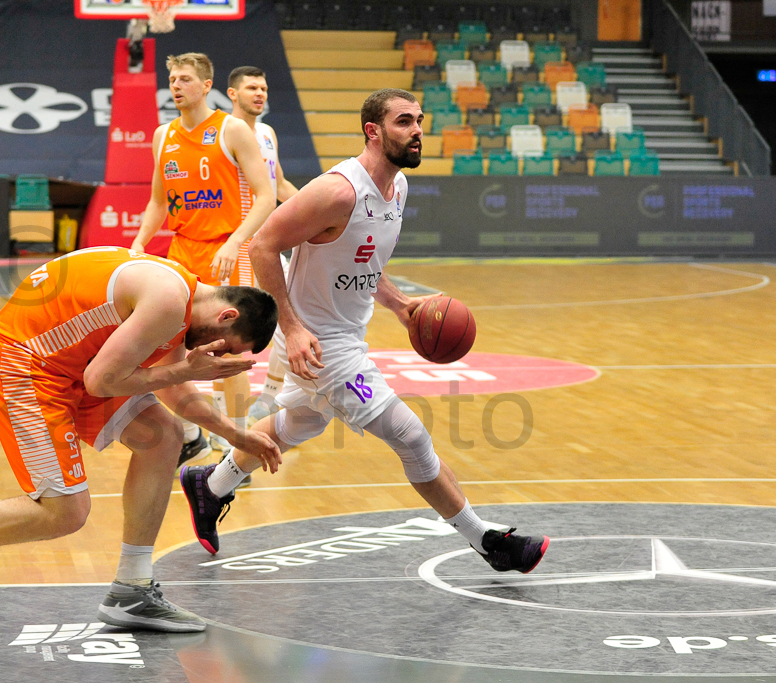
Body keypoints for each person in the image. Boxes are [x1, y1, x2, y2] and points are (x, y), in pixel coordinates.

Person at [179, 89, 550, 576]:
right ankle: (487, 542)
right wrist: (290, 328)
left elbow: (366, 258)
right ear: (373, 131)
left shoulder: (398, 189)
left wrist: (398, 305)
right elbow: (265, 245)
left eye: (419, 121)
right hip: (319, 343)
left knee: (301, 423)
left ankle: (210, 485)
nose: (417, 131)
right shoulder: (338, 191)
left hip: (347, 334)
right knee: (410, 436)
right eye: (403, 122)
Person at [0, 246, 281, 635]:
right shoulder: (168, 301)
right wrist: (181, 373)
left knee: (163, 436)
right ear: (227, 315)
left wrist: (237, 437)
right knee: (66, 512)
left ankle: (133, 589)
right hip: (24, 365)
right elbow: (103, 381)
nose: (212, 354)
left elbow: (175, 393)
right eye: (225, 348)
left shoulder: (182, 299)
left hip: (75, 367)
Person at [131, 53, 276, 468]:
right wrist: (139, 245)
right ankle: (194, 436)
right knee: (168, 348)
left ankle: (235, 451)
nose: (176, 86)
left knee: (228, 354)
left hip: (227, 252)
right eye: (172, 79)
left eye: (185, 79)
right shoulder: (163, 136)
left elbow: (266, 197)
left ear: (206, 84)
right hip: (181, 252)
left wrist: (236, 242)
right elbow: (158, 202)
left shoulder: (231, 129)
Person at [224, 65, 300, 427]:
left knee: (293, 317)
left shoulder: (267, 132)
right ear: (231, 94)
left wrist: (316, 213)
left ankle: (268, 399)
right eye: (252, 87)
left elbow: (279, 184)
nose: (260, 93)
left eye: (264, 88)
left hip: (266, 245)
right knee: (229, 332)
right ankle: (225, 421)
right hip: (234, 244)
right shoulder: (223, 134)